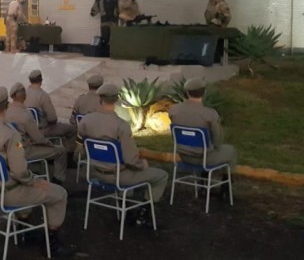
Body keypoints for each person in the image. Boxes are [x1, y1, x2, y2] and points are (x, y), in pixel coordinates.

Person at [0, 87, 74, 256]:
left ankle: (25, 231)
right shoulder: (10, 134)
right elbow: (20, 173)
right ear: (6, 105)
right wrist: (35, 181)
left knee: (27, 188)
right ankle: (52, 243)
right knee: (59, 193)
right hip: (9, 193)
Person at [77, 84, 168, 224]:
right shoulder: (121, 125)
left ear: (99, 98)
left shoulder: (86, 120)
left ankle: (124, 205)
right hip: (119, 176)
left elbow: (81, 147)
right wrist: (142, 164)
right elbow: (130, 160)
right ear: (117, 100)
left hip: (95, 173)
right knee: (161, 175)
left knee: (121, 166)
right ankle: (143, 212)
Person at [168, 78, 236, 193]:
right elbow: (218, 140)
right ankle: (226, 186)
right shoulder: (209, 114)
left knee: (208, 147)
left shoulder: (174, 110)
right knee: (230, 150)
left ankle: (203, 180)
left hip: (183, 155)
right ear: (204, 92)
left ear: (186, 92)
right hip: (203, 158)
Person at [6, 82, 67, 184]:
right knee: (60, 151)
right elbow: (38, 139)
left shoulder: (6, 111)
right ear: (25, 96)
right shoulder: (25, 115)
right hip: (25, 150)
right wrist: (48, 143)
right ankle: (58, 180)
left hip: (11, 148)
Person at [24, 70, 77, 158]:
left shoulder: (23, 94)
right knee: (72, 130)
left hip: (28, 129)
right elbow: (52, 118)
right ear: (41, 80)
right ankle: (69, 158)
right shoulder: (42, 95)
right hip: (42, 129)